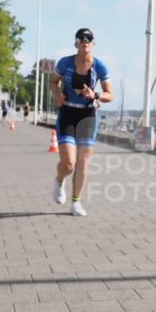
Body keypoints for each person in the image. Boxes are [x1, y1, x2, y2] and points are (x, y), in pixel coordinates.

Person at [50, 28, 112, 217]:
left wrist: (96, 95)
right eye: (81, 38)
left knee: (83, 162)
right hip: (68, 112)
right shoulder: (65, 62)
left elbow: (110, 95)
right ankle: (60, 181)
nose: (85, 41)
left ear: (93, 44)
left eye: (89, 39)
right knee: (69, 163)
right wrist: (57, 95)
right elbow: (53, 81)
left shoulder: (99, 66)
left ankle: (75, 203)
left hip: (87, 115)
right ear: (76, 43)